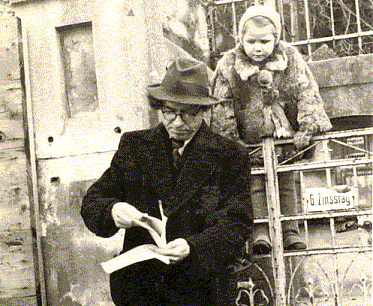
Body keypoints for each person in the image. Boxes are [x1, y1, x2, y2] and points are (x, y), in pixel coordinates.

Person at [81, 57, 253, 305]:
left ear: (205, 110)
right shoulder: (135, 147)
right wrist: (112, 210)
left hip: (202, 290)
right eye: (170, 112)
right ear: (159, 106)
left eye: (189, 113)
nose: (178, 123)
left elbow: (237, 223)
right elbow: (93, 201)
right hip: (141, 290)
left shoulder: (230, 155)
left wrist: (193, 246)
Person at [209, 5, 332, 254]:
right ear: (240, 38)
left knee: (286, 181)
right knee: (254, 183)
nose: (257, 48)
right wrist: (231, 140)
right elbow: (222, 103)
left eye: (264, 41)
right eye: (251, 41)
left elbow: (306, 89)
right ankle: (260, 231)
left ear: (276, 39)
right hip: (249, 139)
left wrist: (307, 126)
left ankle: (290, 230)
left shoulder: (290, 58)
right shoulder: (229, 65)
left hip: (283, 136)